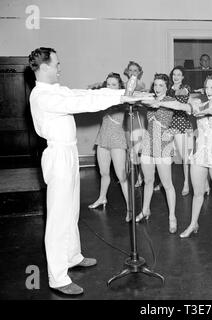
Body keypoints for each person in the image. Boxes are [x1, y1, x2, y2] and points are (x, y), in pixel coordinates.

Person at [28, 47, 135, 295]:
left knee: (71, 209)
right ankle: (58, 277)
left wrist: (123, 92)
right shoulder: (41, 96)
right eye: (56, 64)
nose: (59, 67)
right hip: (58, 155)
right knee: (58, 217)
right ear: (44, 67)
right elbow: (81, 102)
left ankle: (72, 256)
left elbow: (83, 93)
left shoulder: (56, 90)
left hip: (69, 153)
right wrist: (120, 98)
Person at [147, 75, 212, 248]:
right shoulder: (198, 104)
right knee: (197, 193)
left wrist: (207, 111)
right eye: (207, 87)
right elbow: (179, 105)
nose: (209, 91)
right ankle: (193, 223)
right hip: (200, 153)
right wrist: (161, 103)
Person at [136, 73, 178, 234]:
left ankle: (172, 217)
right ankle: (145, 210)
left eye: (161, 85)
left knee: (167, 184)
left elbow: (165, 117)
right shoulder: (151, 99)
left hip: (163, 142)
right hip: (148, 140)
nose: (157, 88)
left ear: (167, 87)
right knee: (148, 180)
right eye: (155, 85)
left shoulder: (170, 101)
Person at [88, 72, 130, 222]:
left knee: (122, 176)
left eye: (114, 84)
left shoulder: (123, 99)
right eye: (108, 84)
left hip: (117, 139)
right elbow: (90, 91)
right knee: (104, 173)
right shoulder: (103, 98)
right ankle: (102, 198)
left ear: (119, 86)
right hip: (103, 138)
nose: (110, 87)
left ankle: (130, 208)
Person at [167, 66, 193, 196]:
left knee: (184, 157)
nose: (176, 77)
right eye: (174, 74)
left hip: (182, 124)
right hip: (169, 124)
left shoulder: (185, 88)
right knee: (166, 154)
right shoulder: (168, 88)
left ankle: (186, 183)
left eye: (178, 74)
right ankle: (164, 182)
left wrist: (167, 93)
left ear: (183, 77)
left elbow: (177, 97)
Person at [122, 61, 147, 188]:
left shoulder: (139, 83)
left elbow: (137, 86)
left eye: (135, 71)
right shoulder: (125, 84)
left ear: (140, 73)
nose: (132, 73)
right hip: (126, 117)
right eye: (130, 70)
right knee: (128, 147)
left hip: (137, 118)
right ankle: (128, 174)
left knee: (139, 149)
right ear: (127, 71)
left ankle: (141, 175)